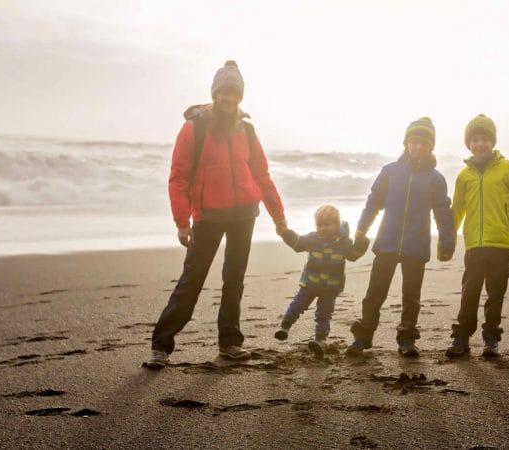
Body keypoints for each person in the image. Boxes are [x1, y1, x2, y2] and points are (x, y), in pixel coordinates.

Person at [145, 60, 287, 369]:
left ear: (241, 96)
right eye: (224, 93)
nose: (229, 99)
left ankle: (230, 344)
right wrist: (182, 222)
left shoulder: (246, 129)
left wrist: (278, 217)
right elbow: (178, 177)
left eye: (234, 94)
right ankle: (161, 346)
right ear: (214, 93)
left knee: (234, 280)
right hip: (208, 215)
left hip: (244, 215)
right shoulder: (194, 127)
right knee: (192, 279)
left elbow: (262, 175)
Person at [346, 117, 456, 358]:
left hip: (416, 247)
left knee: (411, 297)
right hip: (386, 242)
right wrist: (361, 230)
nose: (419, 147)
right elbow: (373, 202)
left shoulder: (435, 179)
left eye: (424, 143)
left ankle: (407, 339)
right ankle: (363, 336)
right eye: (414, 142)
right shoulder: (390, 172)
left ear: (431, 147)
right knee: (374, 293)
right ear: (406, 144)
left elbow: (443, 213)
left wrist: (447, 242)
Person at [445, 114, 509, 358]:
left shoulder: (508, 170)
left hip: (501, 246)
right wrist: (447, 241)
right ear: (468, 144)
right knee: (468, 294)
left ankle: (491, 338)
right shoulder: (464, 176)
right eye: (474, 139)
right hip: (474, 245)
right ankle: (461, 337)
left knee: (495, 295)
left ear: (492, 142)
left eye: (484, 139)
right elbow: (457, 211)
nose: (479, 143)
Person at [274, 205, 369, 355]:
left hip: (330, 289)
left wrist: (362, 241)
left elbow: (354, 254)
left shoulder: (344, 243)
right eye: (319, 225)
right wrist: (285, 233)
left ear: (337, 225)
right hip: (309, 284)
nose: (323, 228)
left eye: (327, 225)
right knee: (297, 305)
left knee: (323, 315)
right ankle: (284, 327)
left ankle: (320, 340)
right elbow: (297, 243)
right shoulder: (312, 238)